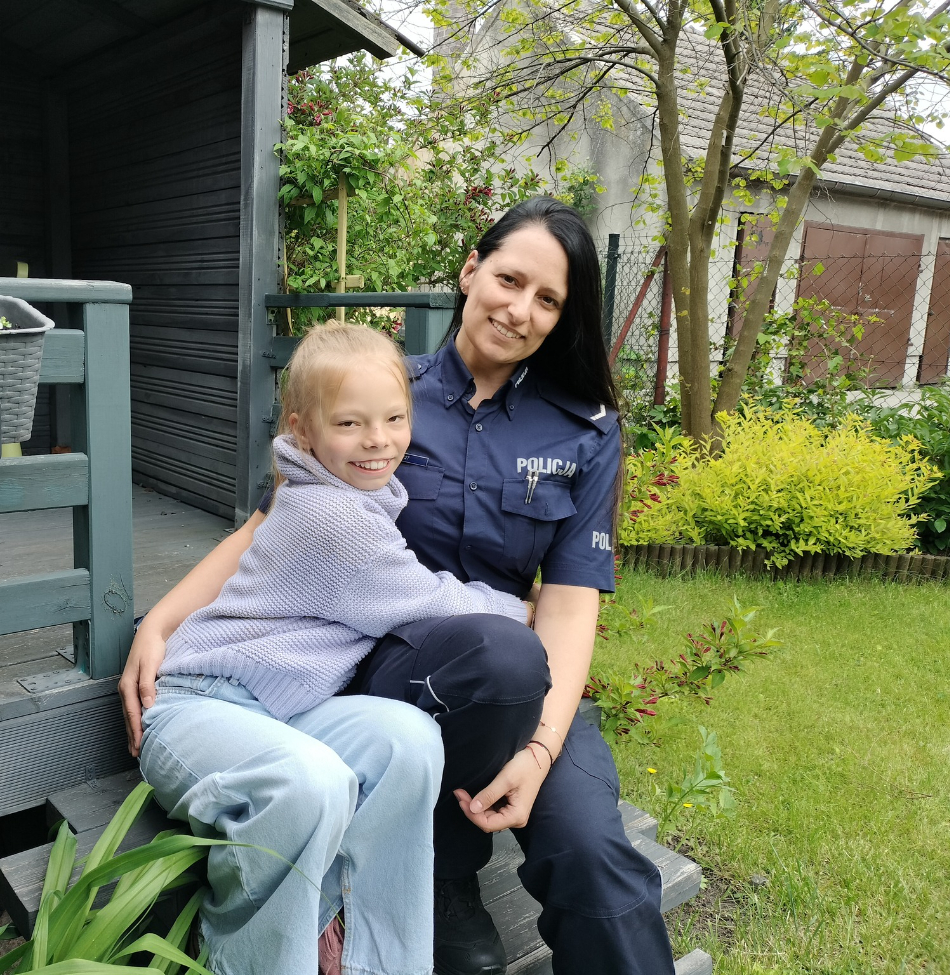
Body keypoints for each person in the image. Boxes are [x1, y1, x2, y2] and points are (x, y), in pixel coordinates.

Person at [124, 197, 674, 975]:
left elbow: (570, 602)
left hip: (525, 679)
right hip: (396, 666)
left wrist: (544, 748)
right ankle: (444, 875)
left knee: (594, 854)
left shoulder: (584, 430)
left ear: (562, 316)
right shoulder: (381, 397)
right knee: (497, 648)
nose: (520, 309)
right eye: (510, 279)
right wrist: (161, 622)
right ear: (471, 269)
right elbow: (268, 526)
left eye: (548, 299)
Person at [136, 321, 543, 975]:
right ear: (303, 430)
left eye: (393, 418)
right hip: (197, 706)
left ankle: (376, 960)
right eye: (350, 424)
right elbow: (432, 600)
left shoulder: (345, 497)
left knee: (410, 740)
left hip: (281, 713)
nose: (378, 440)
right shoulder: (330, 516)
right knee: (311, 781)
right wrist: (527, 610)